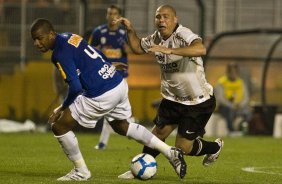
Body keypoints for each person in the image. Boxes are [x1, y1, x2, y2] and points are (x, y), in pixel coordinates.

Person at [30, 18, 187, 181]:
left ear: (51, 34)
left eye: (39, 38)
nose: (36, 43)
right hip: (117, 83)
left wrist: (61, 108)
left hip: (100, 94)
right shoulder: (70, 36)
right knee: (122, 126)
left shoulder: (59, 54)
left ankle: (81, 171)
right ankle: (170, 152)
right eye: (34, 39)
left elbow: (76, 88)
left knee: (59, 126)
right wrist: (109, 65)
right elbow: (94, 52)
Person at [115, 4, 224, 179]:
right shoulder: (155, 38)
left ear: (175, 19)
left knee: (183, 148)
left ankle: (215, 147)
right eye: (158, 17)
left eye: (166, 17)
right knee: (157, 134)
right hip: (172, 99)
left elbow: (200, 49)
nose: (161, 20)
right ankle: (140, 166)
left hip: (197, 102)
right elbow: (137, 48)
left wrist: (170, 50)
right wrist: (130, 30)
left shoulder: (183, 34)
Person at [88, 5, 132, 150]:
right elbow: (89, 51)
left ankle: (103, 142)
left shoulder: (124, 33)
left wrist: (127, 47)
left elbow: (132, 50)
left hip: (120, 77)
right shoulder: (98, 32)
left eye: (115, 14)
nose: (112, 16)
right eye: (109, 13)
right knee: (111, 110)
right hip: (104, 75)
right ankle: (136, 132)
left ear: (119, 17)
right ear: (106, 16)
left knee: (113, 110)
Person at [215, 62, 251, 134]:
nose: (233, 73)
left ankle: (243, 129)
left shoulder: (241, 82)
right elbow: (220, 99)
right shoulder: (221, 82)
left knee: (248, 112)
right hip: (225, 107)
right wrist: (232, 105)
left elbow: (246, 97)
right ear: (227, 72)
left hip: (240, 106)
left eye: (235, 71)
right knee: (230, 111)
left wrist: (240, 105)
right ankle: (232, 131)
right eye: (231, 71)